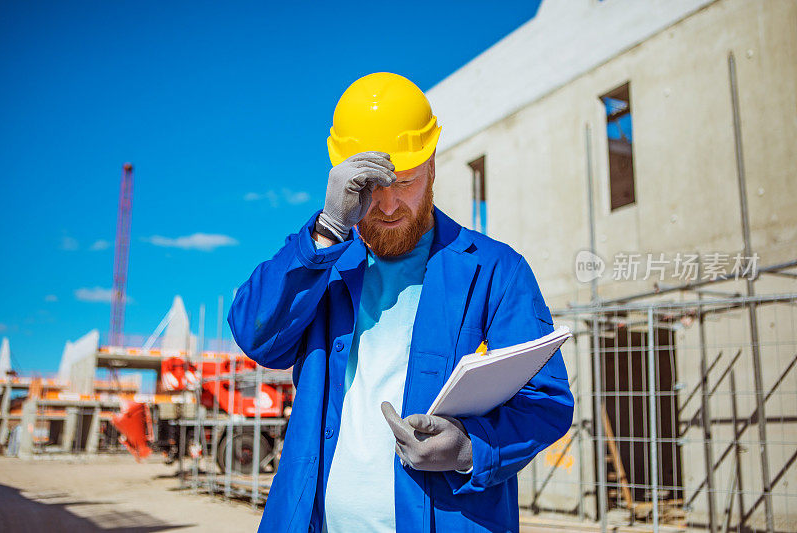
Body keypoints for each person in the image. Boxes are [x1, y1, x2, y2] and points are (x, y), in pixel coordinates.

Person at [228, 72, 574, 533]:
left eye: (404, 182)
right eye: (370, 189)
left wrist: (471, 448)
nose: (388, 205)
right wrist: (328, 228)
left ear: (432, 165)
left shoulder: (496, 271)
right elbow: (257, 337)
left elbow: (546, 402)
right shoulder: (322, 266)